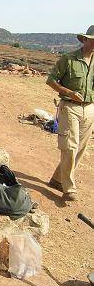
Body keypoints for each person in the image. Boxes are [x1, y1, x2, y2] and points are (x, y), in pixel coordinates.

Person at [46, 25, 94, 201]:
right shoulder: (69, 59)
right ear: (85, 40)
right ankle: (69, 188)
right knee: (70, 146)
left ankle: (58, 179)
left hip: (89, 108)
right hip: (70, 106)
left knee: (80, 148)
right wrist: (68, 92)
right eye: (93, 40)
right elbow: (51, 80)